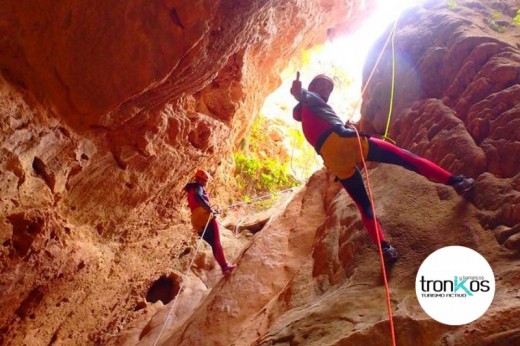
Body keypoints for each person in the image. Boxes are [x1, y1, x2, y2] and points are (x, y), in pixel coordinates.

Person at [290, 72, 475, 266]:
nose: (327, 91)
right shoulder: (312, 98)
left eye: (329, 88)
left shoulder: (309, 111)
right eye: (324, 86)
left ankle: (385, 249)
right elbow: (303, 94)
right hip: (345, 141)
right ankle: (457, 182)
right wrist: (298, 90)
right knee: (405, 157)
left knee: (364, 206)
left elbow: (307, 105)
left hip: (334, 161)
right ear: (315, 87)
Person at [184, 169, 236, 275]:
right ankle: (225, 267)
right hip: (203, 214)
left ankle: (224, 267)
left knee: (213, 244)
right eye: (204, 180)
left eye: (205, 181)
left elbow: (195, 199)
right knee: (216, 241)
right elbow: (199, 196)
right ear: (199, 180)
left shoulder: (190, 190)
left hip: (195, 220)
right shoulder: (198, 187)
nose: (205, 183)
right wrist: (209, 209)